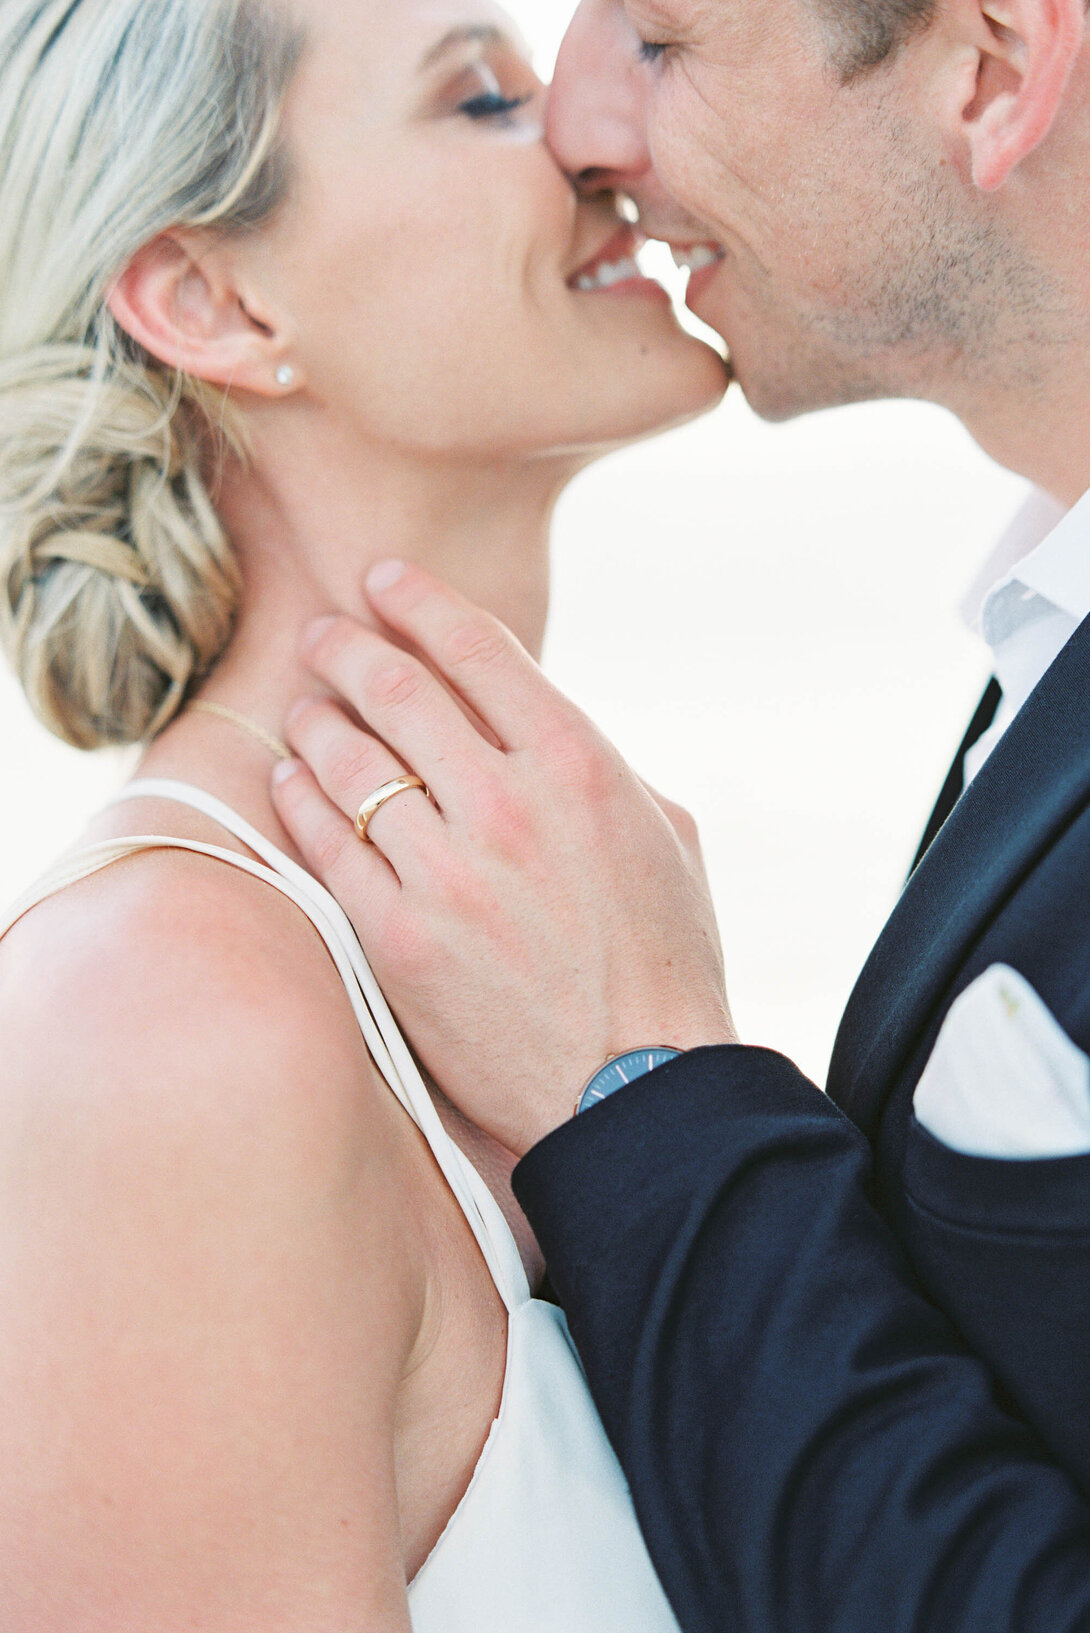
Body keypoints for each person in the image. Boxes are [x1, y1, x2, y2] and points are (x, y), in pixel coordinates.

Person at [269, 0, 1090, 1625]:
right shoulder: (1081, 611)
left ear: (989, 70)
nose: (578, 128)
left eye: (662, 37)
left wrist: (639, 1085)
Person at [0, 0, 728, 1626]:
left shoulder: (579, 925)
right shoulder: (164, 1018)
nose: (603, 142)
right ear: (214, 297)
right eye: (480, 102)